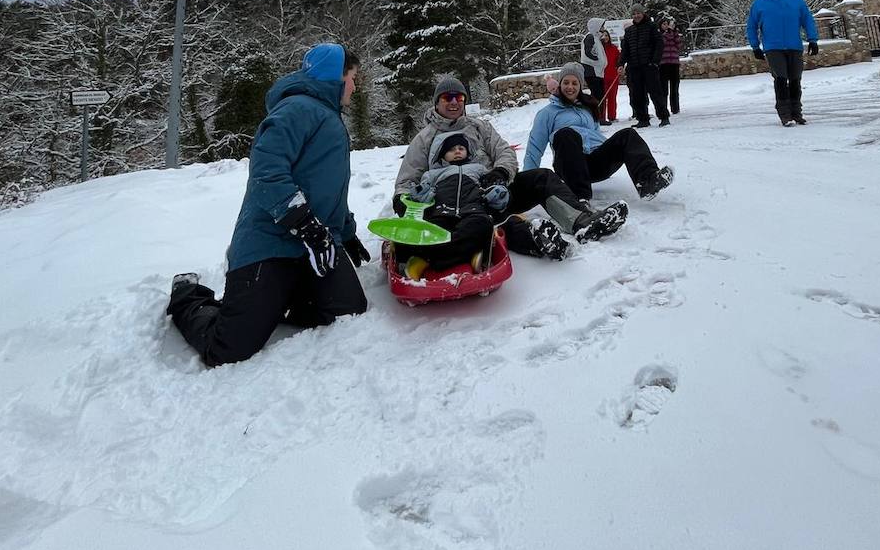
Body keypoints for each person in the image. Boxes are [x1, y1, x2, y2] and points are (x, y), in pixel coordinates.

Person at [167, 44, 371, 367]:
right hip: (269, 245)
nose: (355, 86)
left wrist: (346, 233)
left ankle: (280, 301)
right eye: (353, 77)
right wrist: (305, 224)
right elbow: (266, 170)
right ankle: (186, 295)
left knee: (347, 310)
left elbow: (330, 190)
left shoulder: (330, 119)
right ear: (336, 77)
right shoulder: (296, 110)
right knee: (227, 349)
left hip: (312, 246)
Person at [393, 76, 607, 260]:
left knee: (541, 177)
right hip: (453, 205)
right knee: (496, 226)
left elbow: (505, 151)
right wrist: (402, 199)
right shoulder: (425, 138)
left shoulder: (479, 126)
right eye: (447, 98)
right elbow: (408, 178)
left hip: (494, 193)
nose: (454, 103)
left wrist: (500, 173)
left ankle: (581, 221)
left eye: (459, 98)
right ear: (436, 102)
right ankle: (523, 237)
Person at [526, 62, 675, 207]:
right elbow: (534, 148)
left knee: (628, 134)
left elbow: (595, 136)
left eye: (574, 83)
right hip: (568, 166)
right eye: (566, 82)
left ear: (580, 86)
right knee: (566, 134)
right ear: (560, 84)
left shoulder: (587, 109)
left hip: (595, 163)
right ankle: (579, 198)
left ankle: (647, 180)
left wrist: (608, 151)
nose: (570, 87)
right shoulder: (547, 113)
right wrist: (528, 184)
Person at [397, 131, 505, 279]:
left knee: (482, 225)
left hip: (472, 210)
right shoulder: (433, 174)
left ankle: (426, 259)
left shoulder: (478, 169)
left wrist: (497, 193)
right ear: (442, 155)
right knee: (430, 232)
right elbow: (422, 194)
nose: (457, 151)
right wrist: (420, 195)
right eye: (451, 149)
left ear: (468, 151)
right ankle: (468, 255)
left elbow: (489, 187)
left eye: (461, 148)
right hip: (441, 212)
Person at [746, 0, 820, 126]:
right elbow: (751, 26)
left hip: (794, 45)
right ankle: (785, 114)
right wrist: (755, 46)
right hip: (773, 48)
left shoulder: (795, 0)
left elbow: (807, 20)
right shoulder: (760, 3)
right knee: (780, 79)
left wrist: (813, 39)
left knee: (795, 80)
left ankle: (796, 112)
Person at [619, 6, 668, 128]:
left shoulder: (651, 26)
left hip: (649, 66)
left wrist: (655, 62)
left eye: (638, 13)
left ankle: (663, 117)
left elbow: (659, 44)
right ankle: (643, 119)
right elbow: (625, 50)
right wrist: (620, 64)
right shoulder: (629, 31)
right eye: (634, 13)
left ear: (643, 13)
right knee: (637, 94)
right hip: (634, 67)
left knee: (655, 93)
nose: (636, 15)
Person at [579, 18, 609, 122]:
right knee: (597, 95)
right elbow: (588, 52)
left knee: (600, 95)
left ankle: (599, 117)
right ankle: (596, 118)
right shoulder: (590, 37)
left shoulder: (596, 38)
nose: (603, 29)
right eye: (601, 26)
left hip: (597, 71)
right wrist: (597, 60)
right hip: (592, 71)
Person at [657, 16, 684, 117]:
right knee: (663, 88)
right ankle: (664, 108)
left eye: (666, 23)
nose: (665, 26)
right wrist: (665, 35)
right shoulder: (659, 35)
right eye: (663, 24)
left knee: (675, 86)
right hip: (663, 63)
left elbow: (678, 45)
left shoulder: (674, 33)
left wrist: (674, 33)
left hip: (674, 62)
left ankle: (675, 108)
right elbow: (660, 45)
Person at [599, 26, 621, 126]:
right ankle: (602, 117)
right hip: (602, 76)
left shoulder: (614, 48)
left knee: (612, 97)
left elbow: (619, 60)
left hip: (613, 76)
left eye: (607, 35)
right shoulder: (599, 49)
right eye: (603, 36)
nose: (605, 37)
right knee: (603, 98)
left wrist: (620, 67)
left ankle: (612, 116)